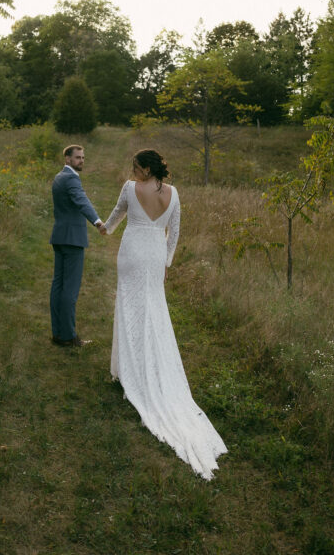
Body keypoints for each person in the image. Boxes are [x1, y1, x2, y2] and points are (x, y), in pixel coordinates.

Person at [103, 149, 227, 479]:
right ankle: (134, 365)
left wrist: (105, 228)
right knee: (152, 309)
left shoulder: (130, 188)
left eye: (135, 167)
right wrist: (166, 263)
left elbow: (117, 215)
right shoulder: (174, 194)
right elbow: (175, 231)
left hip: (131, 254)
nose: (133, 171)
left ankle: (129, 370)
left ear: (145, 169)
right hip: (155, 255)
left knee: (129, 307)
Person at [50, 144, 106, 348]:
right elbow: (81, 200)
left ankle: (58, 333)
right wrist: (98, 222)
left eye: (83, 157)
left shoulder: (58, 177)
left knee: (58, 286)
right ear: (67, 159)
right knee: (69, 290)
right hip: (72, 239)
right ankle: (68, 337)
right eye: (78, 157)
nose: (81, 160)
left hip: (59, 237)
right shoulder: (71, 178)